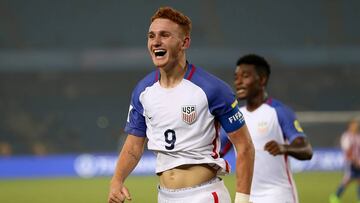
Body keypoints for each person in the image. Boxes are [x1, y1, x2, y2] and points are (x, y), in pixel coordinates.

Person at [107, 7, 255, 203]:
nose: (156, 42)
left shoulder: (213, 89)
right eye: (151, 36)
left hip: (204, 195)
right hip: (164, 196)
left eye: (164, 35)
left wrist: (243, 199)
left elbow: (244, 147)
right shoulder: (143, 91)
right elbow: (134, 146)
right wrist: (116, 181)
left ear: (184, 42)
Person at [221, 54, 313, 203]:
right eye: (236, 77)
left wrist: (284, 148)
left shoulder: (279, 111)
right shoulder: (237, 116)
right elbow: (217, 151)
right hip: (248, 198)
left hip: (279, 196)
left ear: (262, 79)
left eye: (245, 76)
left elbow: (306, 149)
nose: (238, 82)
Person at [329, 119, 360, 203]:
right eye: (354, 125)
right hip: (350, 162)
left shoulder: (357, 136)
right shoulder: (346, 136)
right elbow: (347, 151)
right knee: (347, 179)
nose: (355, 127)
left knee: (358, 180)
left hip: (358, 161)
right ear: (349, 126)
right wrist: (355, 161)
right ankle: (335, 196)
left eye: (356, 125)